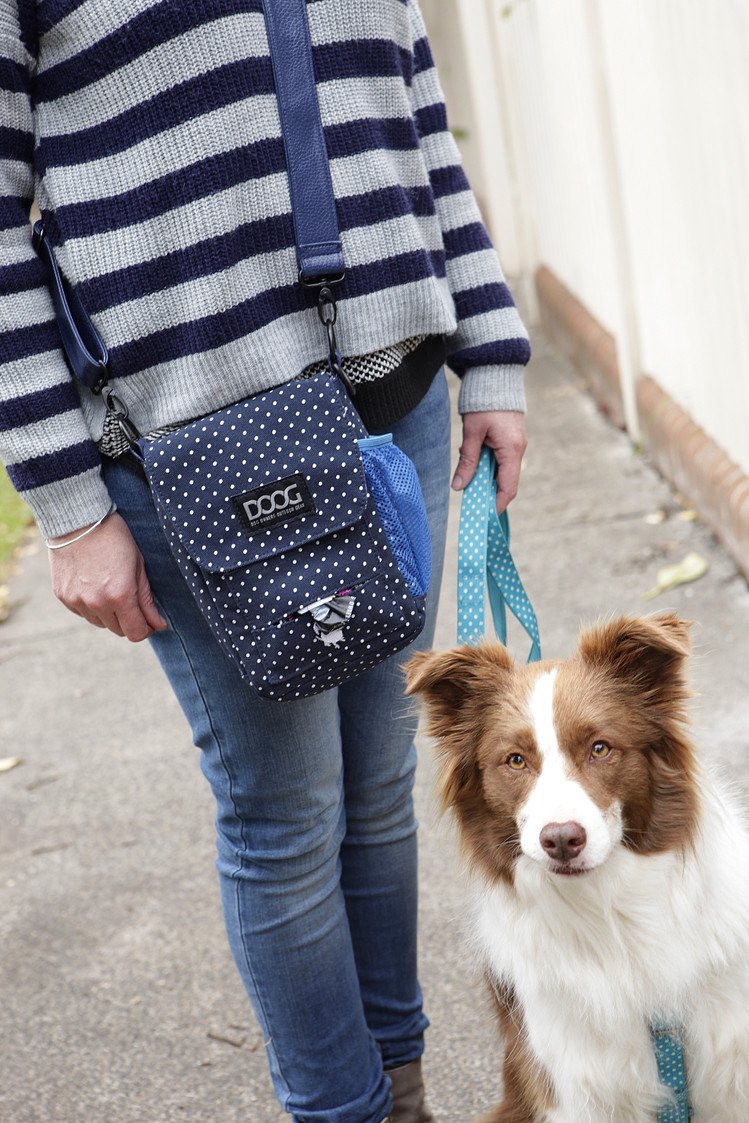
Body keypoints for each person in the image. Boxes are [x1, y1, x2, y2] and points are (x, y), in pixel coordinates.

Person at [0, 2, 530, 1120]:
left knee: (382, 785)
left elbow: (417, 109)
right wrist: (62, 499)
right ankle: (339, 1110)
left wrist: (487, 346)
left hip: (394, 397)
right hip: (198, 440)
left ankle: (401, 1085)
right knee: (284, 814)